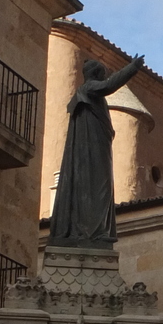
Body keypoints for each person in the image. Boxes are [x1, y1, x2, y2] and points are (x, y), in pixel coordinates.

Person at [47, 55, 146, 249]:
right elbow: (109, 86)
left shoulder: (87, 92)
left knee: (99, 187)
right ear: (96, 74)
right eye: (102, 74)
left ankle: (96, 230)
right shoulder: (88, 88)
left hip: (96, 147)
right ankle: (94, 231)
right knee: (97, 187)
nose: (103, 77)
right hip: (92, 151)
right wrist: (132, 67)